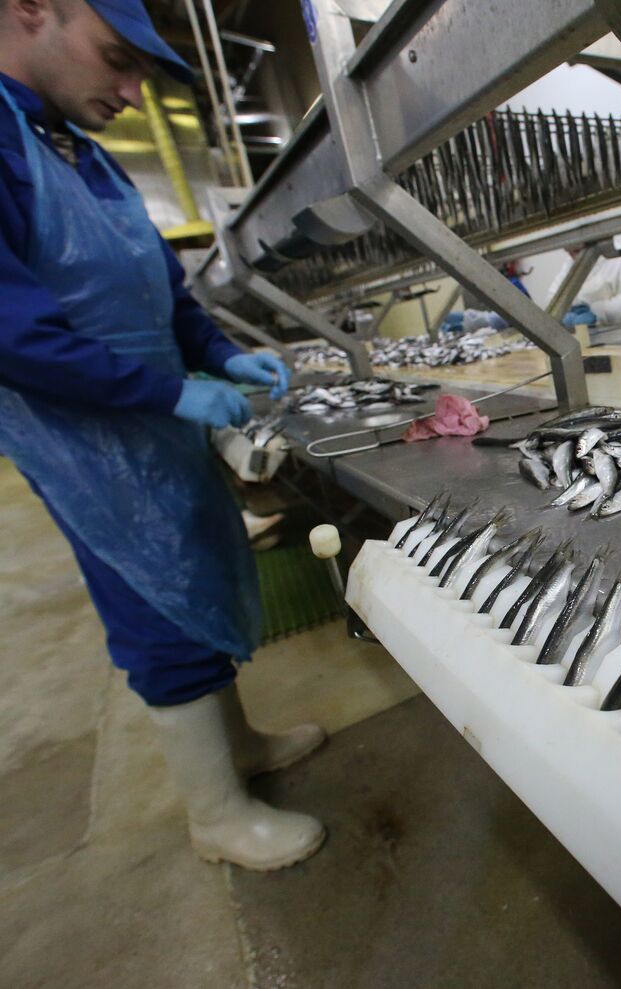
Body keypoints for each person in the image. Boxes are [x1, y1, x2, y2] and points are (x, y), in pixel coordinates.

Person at [0, 0, 324, 871]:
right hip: (86, 440)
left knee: (198, 573)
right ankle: (215, 815)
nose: (134, 93)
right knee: (152, 599)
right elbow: (13, 333)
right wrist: (172, 392)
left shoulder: (84, 155)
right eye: (117, 59)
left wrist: (224, 355)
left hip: (153, 415)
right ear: (32, 11)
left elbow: (165, 294)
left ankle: (238, 745)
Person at [546, 245, 621, 329]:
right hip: (584, 338)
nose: (570, 254)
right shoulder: (570, 262)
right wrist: (563, 314)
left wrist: (597, 314)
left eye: (575, 250)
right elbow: (553, 297)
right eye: (568, 251)